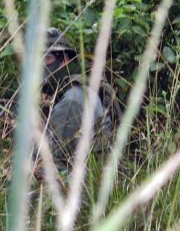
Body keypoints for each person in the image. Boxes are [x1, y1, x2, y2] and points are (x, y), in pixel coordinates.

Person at [34, 27, 121, 180]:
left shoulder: (72, 99)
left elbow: (44, 161)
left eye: (47, 58)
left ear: (65, 59)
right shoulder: (71, 90)